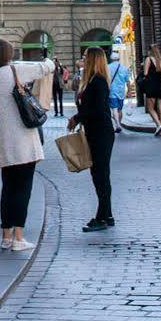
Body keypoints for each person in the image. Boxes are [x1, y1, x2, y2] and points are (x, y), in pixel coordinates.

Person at [0, 38, 54, 251]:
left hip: (2, 141)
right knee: (23, 189)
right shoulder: (14, 71)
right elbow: (44, 68)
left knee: (8, 188)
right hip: (23, 141)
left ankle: (6, 236)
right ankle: (18, 238)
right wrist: (49, 60)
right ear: (6, 55)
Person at [67, 46, 115, 230]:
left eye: (86, 56)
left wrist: (77, 118)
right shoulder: (92, 80)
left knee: (100, 175)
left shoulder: (99, 82)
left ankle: (101, 217)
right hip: (95, 131)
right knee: (99, 174)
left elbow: (95, 109)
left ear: (93, 59)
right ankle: (107, 214)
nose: (83, 58)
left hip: (101, 132)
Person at [141, 50, 161, 136]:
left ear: (150, 51)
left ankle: (158, 125)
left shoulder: (148, 59)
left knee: (150, 108)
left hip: (152, 86)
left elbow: (145, 73)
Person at [107, 52, 131, 132]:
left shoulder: (108, 67)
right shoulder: (124, 68)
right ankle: (119, 124)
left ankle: (117, 124)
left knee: (114, 108)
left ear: (111, 59)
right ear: (119, 59)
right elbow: (127, 81)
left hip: (112, 90)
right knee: (119, 109)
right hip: (121, 91)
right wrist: (129, 91)